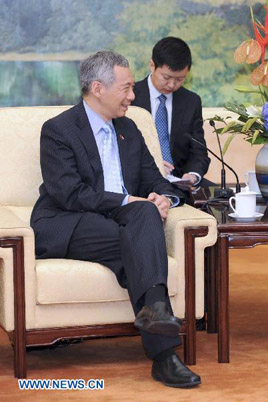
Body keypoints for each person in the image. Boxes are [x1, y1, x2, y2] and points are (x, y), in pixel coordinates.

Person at [30, 50, 201, 388]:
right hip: (69, 221)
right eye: (125, 88)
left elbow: (155, 179)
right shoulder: (59, 130)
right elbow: (69, 193)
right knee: (141, 221)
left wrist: (163, 198)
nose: (133, 96)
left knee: (142, 221)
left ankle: (161, 342)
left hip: (122, 222)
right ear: (98, 88)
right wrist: (131, 201)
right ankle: (164, 351)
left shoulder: (129, 128)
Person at [132, 36, 211, 186]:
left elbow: (198, 152)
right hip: (141, 180)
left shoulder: (191, 102)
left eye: (180, 79)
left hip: (179, 181)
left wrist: (193, 175)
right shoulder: (131, 97)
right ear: (152, 66)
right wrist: (153, 164)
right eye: (166, 77)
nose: (171, 85)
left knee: (220, 199)